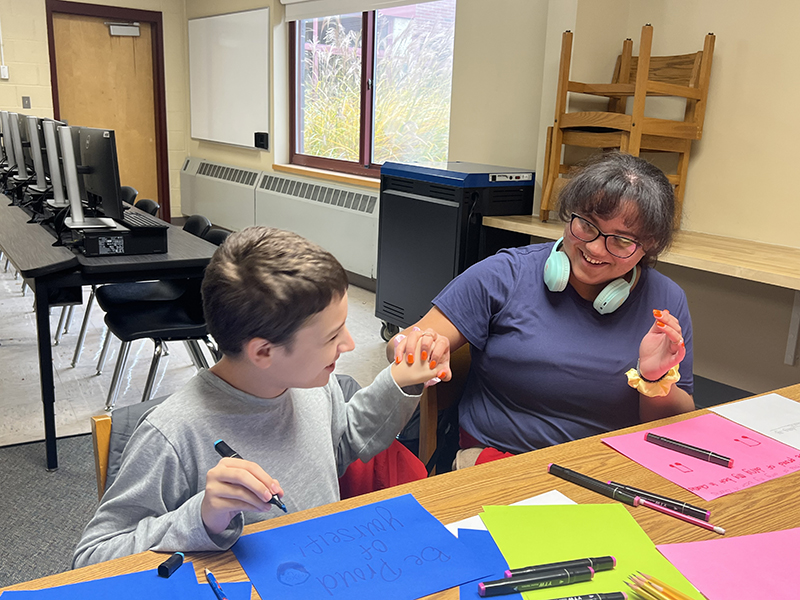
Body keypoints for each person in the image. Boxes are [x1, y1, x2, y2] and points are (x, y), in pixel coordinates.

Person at [73, 227, 449, 568]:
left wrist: (401, 380)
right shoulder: (173, 434)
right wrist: (201, 516)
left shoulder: (311, 387)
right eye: (332, 337)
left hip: (324, 572)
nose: (350, 344)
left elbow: (342, 443)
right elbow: (92, 555)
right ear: (264, 353)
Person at [389, 152, 694, 468]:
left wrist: (655, 379)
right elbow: (400, 345)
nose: (594, 248)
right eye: (586, 225)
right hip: (499, 463)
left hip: (605, 470)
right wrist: (414, 348)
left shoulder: (665, 300)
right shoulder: (504, 274)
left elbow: (672, 429)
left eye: (620, 241)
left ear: (649, 246)